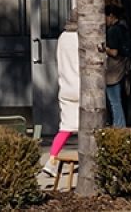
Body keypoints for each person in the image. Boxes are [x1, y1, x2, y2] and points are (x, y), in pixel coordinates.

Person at [49, 17, 80, 176]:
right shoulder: (81, 38)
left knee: (65, 127)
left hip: (66, 85)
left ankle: (52, 160)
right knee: (90, 127)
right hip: (82, 85)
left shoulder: (62, 37)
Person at [103, 0, 131, 128]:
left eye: (105, 17)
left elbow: (114, 52)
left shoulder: (113, 31)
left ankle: (119, 126)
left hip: (114, 70)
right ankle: (119, 125)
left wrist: (104, 49)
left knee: (114, 101)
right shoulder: (123, 27)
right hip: (122, 68)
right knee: (118, 100)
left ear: (110, 15)